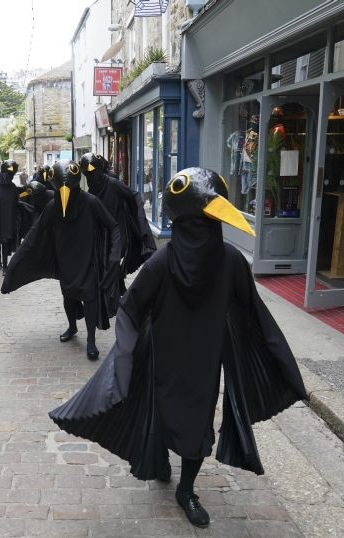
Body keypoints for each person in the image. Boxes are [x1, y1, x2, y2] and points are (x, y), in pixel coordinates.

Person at [49, 168, 306, 527]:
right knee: (163, 414)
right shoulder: (163, 263)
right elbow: (131, 308)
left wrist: (282, 367)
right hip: (163, 356)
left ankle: (187, 489)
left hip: (205, 360)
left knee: (198, 427)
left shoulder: (231, 263)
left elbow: (257, 315)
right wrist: (122, 361)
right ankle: (159, 463)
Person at [1, 160, 121, 360]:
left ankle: (91, 339)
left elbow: (113, 226)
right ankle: (72, 326)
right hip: (65, 258)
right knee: (68, 295)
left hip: (87, 256)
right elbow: (35, 233)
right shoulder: (52, 206)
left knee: (90, 297)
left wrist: (115, 256)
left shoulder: (91, 202)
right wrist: (15, 266)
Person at [80, 152, 156, 289]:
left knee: (113, 262)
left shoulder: (113, 184)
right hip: (103, 236)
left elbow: (134, 196)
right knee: (103, 265)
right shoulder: (91, 193)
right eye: (87, 174)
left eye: (93, 172)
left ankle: (116, 292)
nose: (91, 176)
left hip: (119, 233)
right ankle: (116, 289)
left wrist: (138, 223)